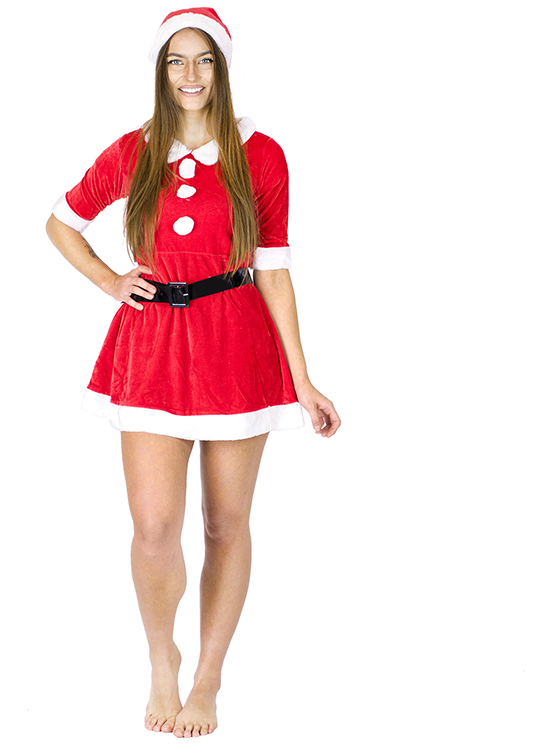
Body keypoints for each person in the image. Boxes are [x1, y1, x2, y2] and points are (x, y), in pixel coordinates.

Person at [44, 8, 339, 738]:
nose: (190, 75)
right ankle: (162, 658)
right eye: (176, 60)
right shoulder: (135, 151)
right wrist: (111, 280)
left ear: (223, 69)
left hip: (236, 346)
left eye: (205, 60)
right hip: (150, 350)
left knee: (224, 523)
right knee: (153, 527)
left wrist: (303, 380)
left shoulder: (260, 155)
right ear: (160, 69)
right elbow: (60, 221)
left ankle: (208, 678)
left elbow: (274, 271)